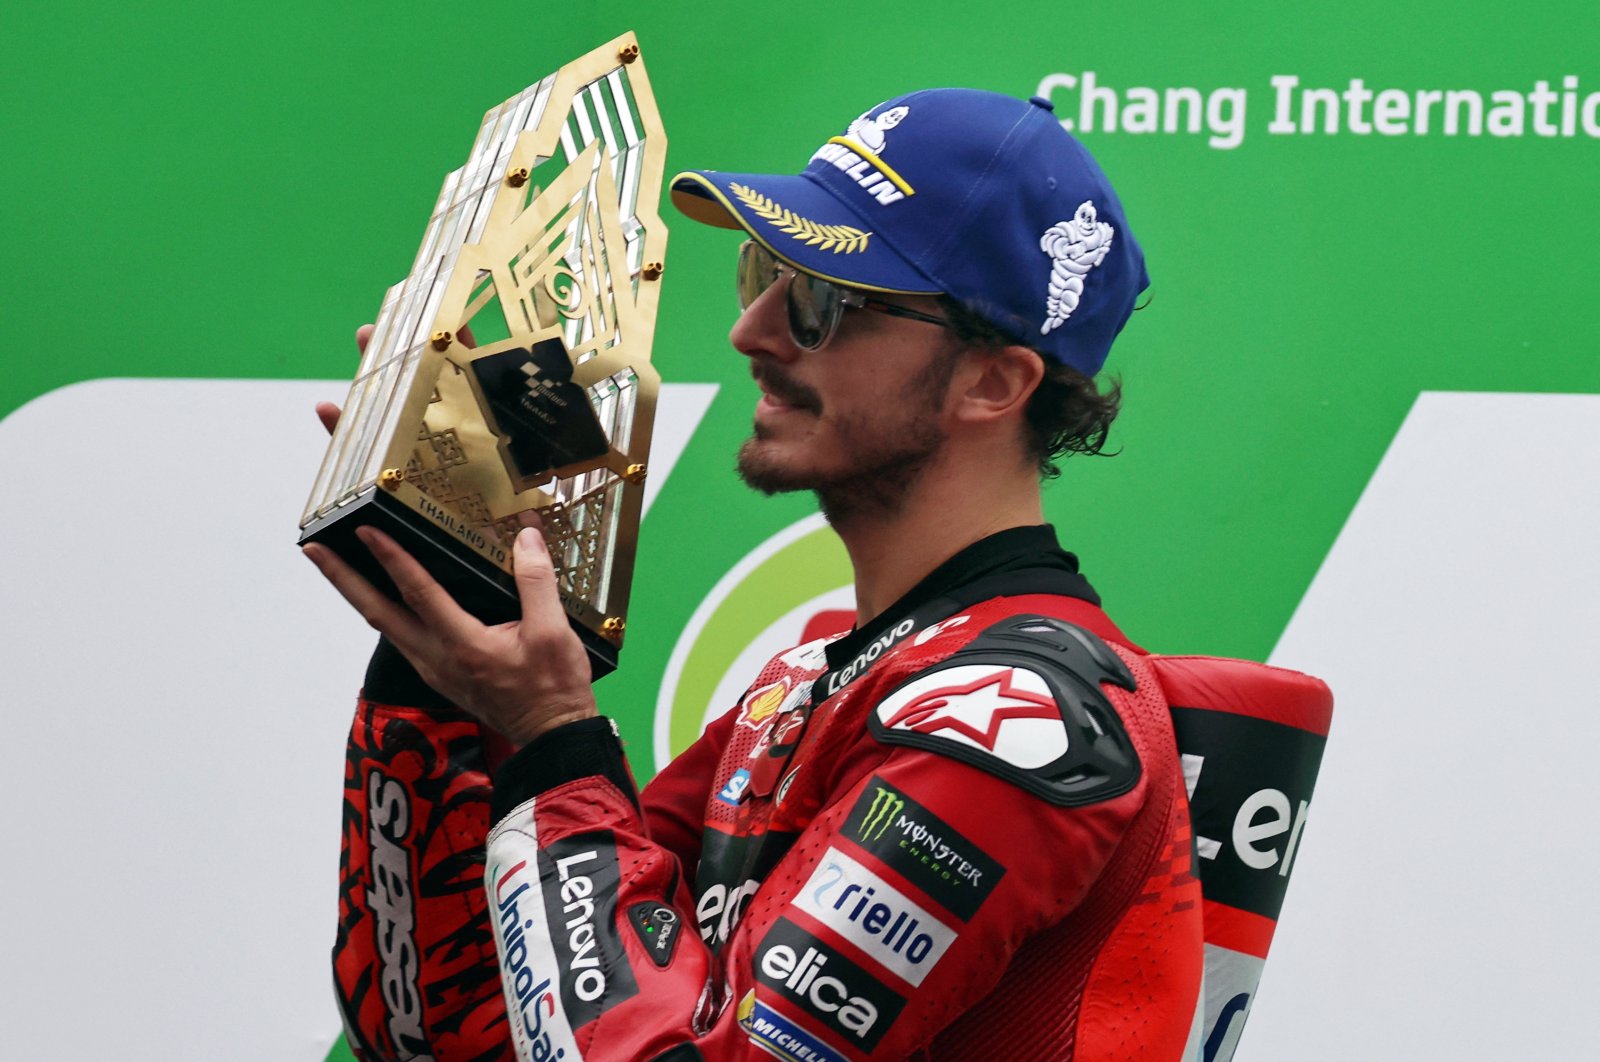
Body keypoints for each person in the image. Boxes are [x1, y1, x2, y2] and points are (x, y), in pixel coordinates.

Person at [308, 88, 1331, 1062]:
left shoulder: (1018, 727)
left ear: (992, 381)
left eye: (823, 302)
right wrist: (460, 622)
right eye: (764, 276)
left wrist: (551, 736)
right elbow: (448, 1029)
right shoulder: (805, 687)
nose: (749, 334)